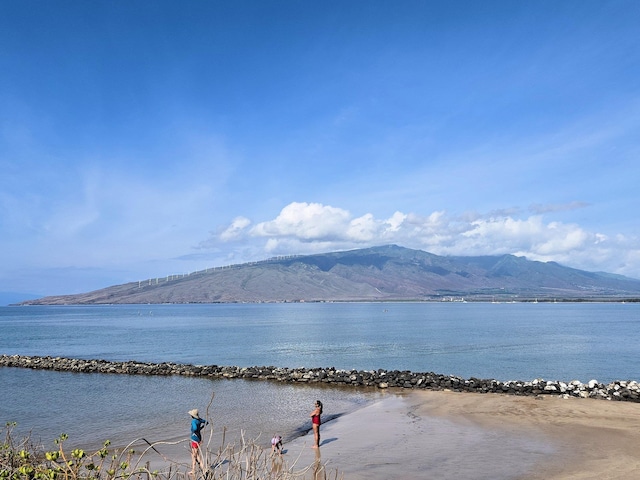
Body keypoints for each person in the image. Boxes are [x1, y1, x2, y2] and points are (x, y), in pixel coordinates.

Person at [188, 409, 208, 473]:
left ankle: (197, 469)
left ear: (192, 416)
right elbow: (206, 422)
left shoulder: (193, 421)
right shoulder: (199, 420)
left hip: (194, 439)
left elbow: (195, 428)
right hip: (199, 438)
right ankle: (199, 469)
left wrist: (195, 431)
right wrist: (200, 428)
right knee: (195, 454)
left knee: (195, 455)